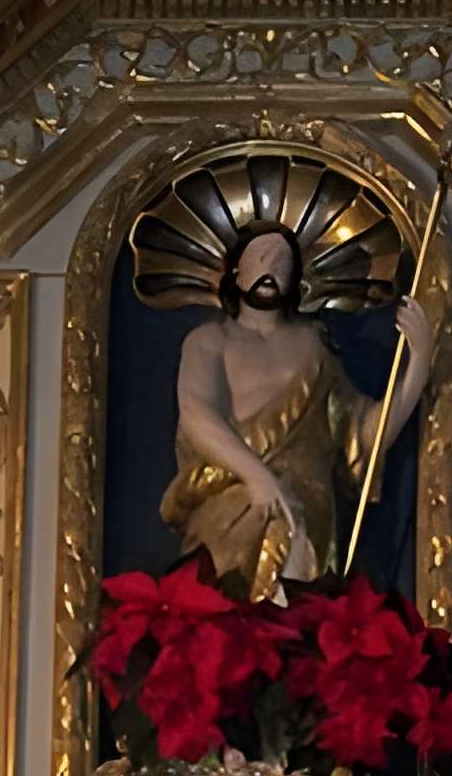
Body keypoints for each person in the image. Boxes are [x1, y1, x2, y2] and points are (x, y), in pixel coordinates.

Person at [163, 222, 431, 599]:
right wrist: (257, 476)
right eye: (261, 256)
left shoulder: (314, 349)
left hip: (307, 508)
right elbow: (196, 414)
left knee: (296, 613)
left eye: (283, 260)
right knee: (228, 615)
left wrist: (418, 363)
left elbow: (362, 438)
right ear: (236, 270)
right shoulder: (210, 341)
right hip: (230, 502)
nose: (272, 266)